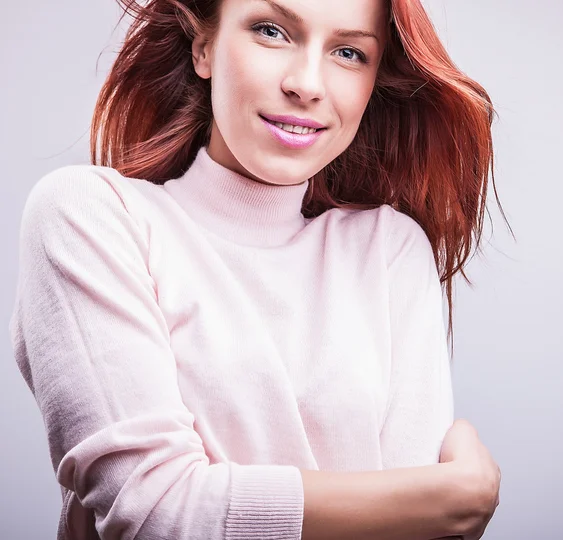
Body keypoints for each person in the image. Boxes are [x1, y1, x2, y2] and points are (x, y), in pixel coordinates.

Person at [8, 0, 504, 538]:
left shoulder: (389, 250)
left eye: (348, 52)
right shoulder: (91, 216)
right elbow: (155, 514)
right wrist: (447, 499)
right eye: (271, 31)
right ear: (204, 47)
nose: (307, 84)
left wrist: (434, 508)